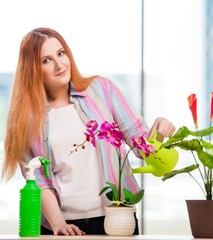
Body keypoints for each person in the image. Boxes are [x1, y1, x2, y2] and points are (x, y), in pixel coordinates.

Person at [1, 27, 176, 236]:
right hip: (61, 226)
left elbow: (141, 145)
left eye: (61, 53)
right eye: (46, 60)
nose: (59, 65)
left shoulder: (102, 90)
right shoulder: (26, 119)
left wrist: (159, 129)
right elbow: (38, 178)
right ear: (32, 69)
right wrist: (58, 224)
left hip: (116, 219)